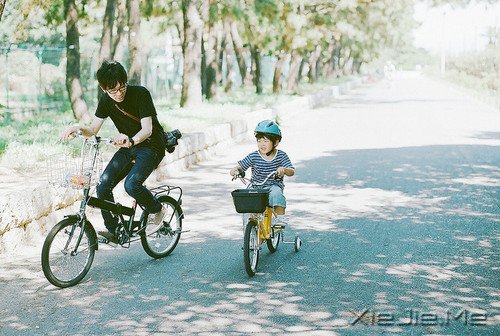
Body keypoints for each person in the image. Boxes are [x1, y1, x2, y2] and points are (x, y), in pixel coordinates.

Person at [61, 60, 167, 243]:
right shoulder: (106, 101)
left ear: (125, 82)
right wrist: (77, 128)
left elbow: (147, 129)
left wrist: (131, 140)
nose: (118, 94)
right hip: (128, 147)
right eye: (112, 91)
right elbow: (93, 129)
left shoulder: (140, 94)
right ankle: (115, 229)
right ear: (104, 89)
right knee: (103, 185)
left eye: (121, 88)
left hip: (151, 146)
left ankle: (157, 209)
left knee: (131, 185)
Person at [230, 120, 295, 219]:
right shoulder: (254, 156)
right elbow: (240, 166)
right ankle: (250, 225)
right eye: (259, 141)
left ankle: (280, 221)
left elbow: (291, 171)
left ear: (276, 142)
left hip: (272, 186)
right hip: (256, 186)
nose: (262, 144)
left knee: (277, 194)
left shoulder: (281, 156)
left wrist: (284, 170)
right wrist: (235, 171)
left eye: (266, 141)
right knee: (247, 200)